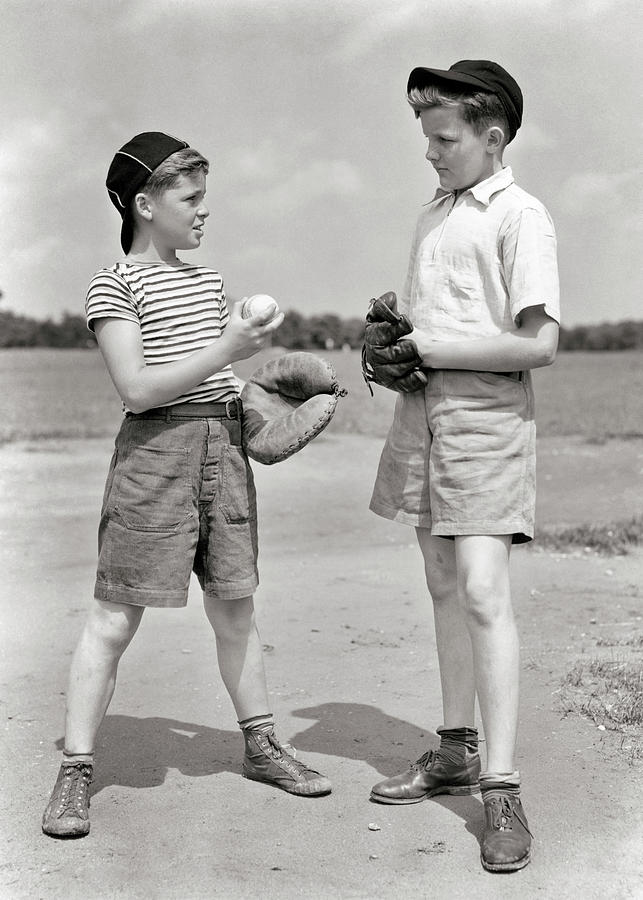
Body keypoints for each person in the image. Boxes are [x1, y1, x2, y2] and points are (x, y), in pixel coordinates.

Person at [42, 132, 331, 839]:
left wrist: (258, 411)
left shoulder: (207, 283)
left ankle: (262, 746)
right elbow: (138, 389)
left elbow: (221, 379)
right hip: (155, 457)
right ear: (145, 204)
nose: (205, 211)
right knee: (114, 619)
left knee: (236, 610)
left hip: (221, 452)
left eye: (206, 197)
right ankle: (76, 768)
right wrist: (230, 346)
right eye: (191, 198)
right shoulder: (115, 283)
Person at [367, 61, 560, 873]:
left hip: (485, 419)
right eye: (426, 141)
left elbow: (539, 343)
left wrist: (435, 346)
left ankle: (502, 787)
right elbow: (428, 318)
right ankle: (454, 748)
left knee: (483, 591)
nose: (431, 154)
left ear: (491, 136)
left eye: (443, 140)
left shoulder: (521, 215)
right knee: (443, 582)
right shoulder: (432, 214)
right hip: (425, 418)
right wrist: (390, 335)